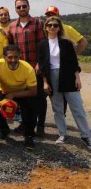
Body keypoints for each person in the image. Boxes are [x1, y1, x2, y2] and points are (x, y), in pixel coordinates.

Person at [38, 16, 91, 149]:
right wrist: (45, 82)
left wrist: (77, 78)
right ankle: (62, 134)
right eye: (49, 25)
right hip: (51, 76)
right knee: (58, 108)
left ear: (59, 27)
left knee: (77, 107)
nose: (52, 27)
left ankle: (86, 135)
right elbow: (43, 66)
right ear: (46, 27)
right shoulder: (42, 44)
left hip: (67, 75)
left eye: (55, 25)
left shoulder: (66, 43)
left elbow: (74, 62)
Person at [6, 0, 46, 137]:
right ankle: (27, 124)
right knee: (25, 100)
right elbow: (10, 47)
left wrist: (40, 64)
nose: (22, 9)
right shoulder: (11, 26)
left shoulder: (38, 23)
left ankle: (40, 125)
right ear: (15, 9)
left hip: (35, 67)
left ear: (29, 7)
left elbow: (43, 46)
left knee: (39, 97)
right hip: (20, 69)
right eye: (19, 7)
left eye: (24, 6)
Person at [0, 44, 38, 150]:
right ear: (4, 57)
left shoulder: (28, 68)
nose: (13, 60)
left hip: (22, 91)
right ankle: (4, 129)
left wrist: (14, 94)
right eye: (10, 57)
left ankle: (29, 135)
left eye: (16, 57)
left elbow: (33, 91)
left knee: (31, 108)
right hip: (2, 89)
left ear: (20, 56)